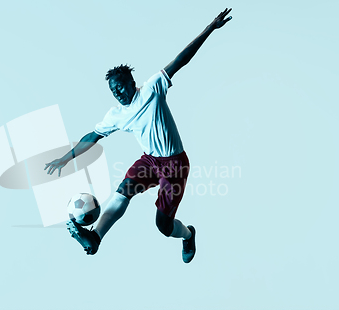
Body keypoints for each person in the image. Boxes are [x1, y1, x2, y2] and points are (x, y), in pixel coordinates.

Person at [44, 8, 232, 263]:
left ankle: (188, 234)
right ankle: (95, 237)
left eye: (121, 86)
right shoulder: (116, 115)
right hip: (149, 161)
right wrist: (65, 159)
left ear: (132, 82)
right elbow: (93, 136)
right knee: (123, 190)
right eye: (113, 90)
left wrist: (210, 28)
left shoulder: (153, 88)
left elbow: (181, 60)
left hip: (175, 164)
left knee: (163, 226)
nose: (118, 93)